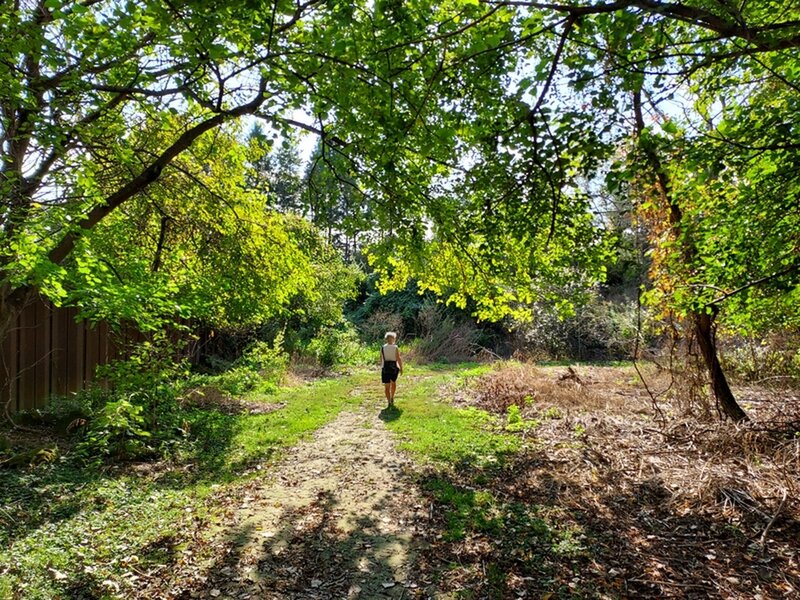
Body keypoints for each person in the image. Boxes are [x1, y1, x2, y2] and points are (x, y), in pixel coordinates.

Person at [380, 331, 403, 407]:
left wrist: (382, 367)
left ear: (386, 339)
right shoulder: (395, 347)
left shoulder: (383, 347)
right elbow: (398, 358)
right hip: (393, 367)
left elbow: (381, 359)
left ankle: (389, 401)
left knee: (387, 386)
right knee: (393, 383)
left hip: (385, 367)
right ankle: (392, 396)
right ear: (393, 339)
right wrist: (401, 368)